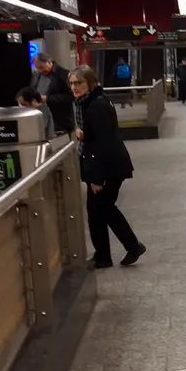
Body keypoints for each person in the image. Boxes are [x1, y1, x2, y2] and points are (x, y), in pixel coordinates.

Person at [69, 65, 146, 268]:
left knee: (103, 208)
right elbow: (97, 135)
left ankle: (129, 247)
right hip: (108, 164)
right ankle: (105, 255)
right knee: (98, 210)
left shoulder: (96, 105)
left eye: (79, 83)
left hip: (107, 167)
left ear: (90, 83)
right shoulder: (90, 102)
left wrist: (96, 177)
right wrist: (85, 134)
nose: (74, 87)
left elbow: (103, 141)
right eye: (72, 83)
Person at [31, 53, 74, 134]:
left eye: (41, 67)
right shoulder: (38, 75)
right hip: (44, 118)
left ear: (49, 62)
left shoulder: (64, 74)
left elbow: (71, 97)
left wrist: (48, 98)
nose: (40, 70)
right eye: (38, 69)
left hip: (61, 121)